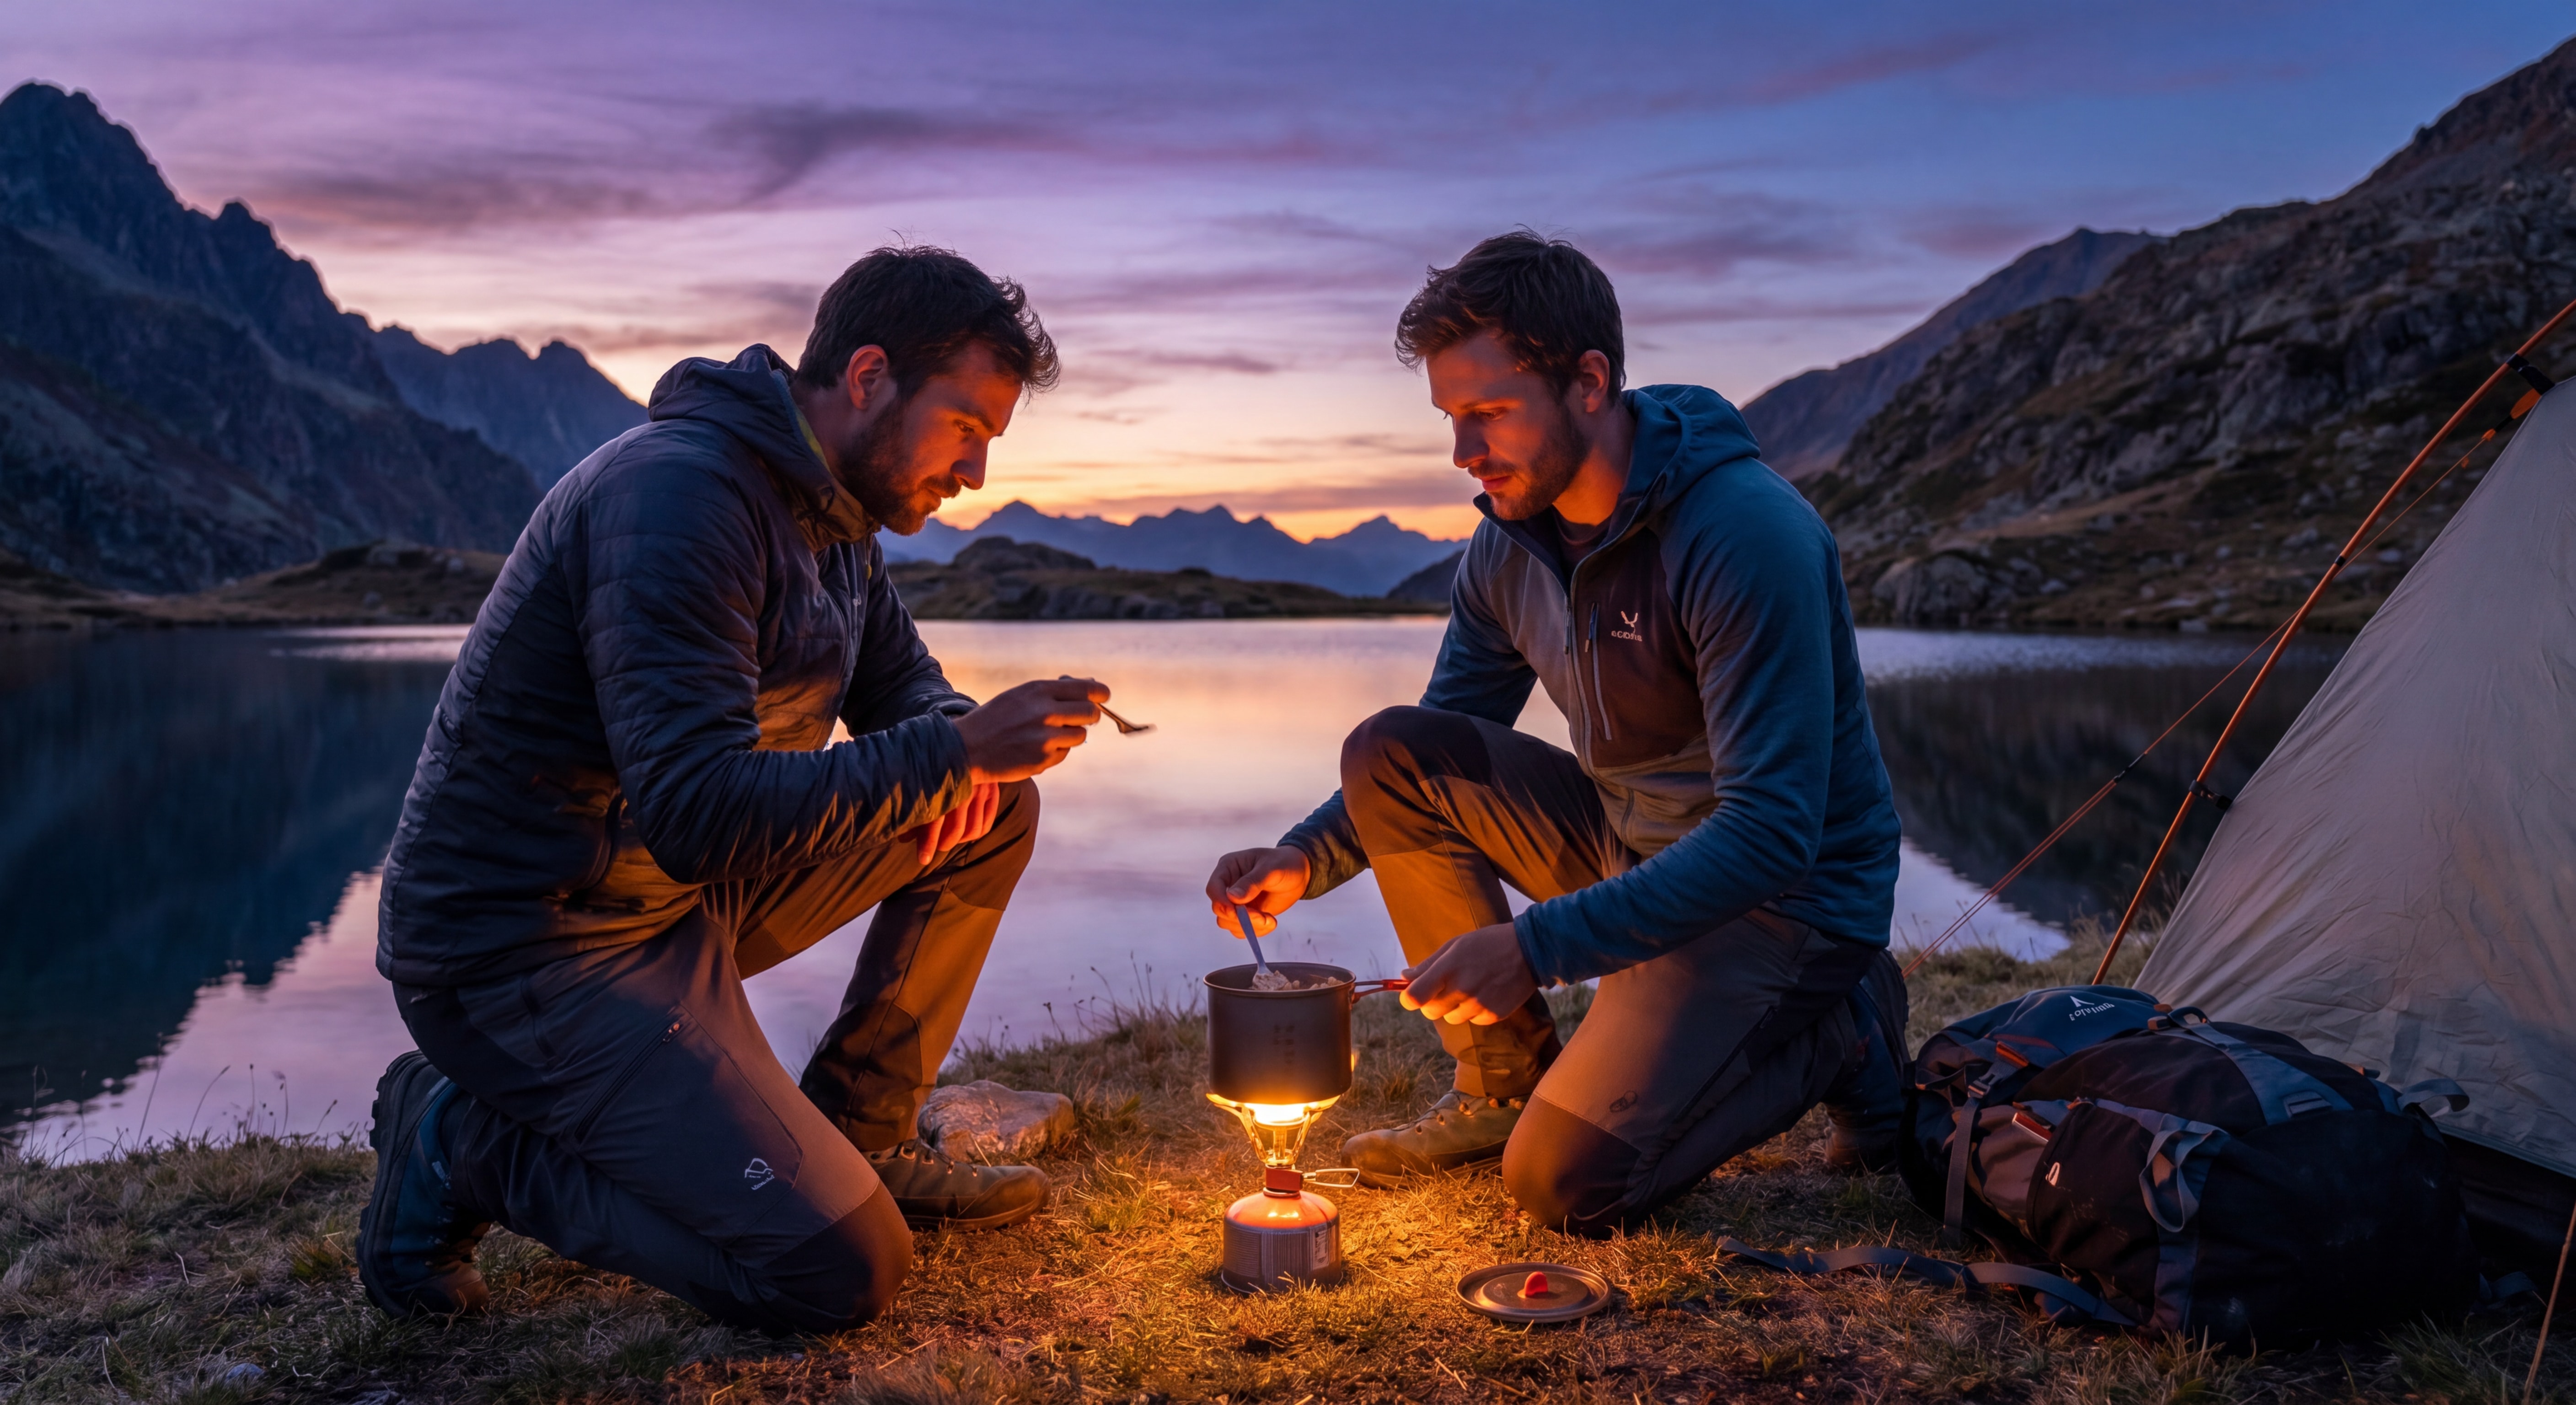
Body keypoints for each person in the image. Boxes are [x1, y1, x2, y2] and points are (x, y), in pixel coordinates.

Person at [359, 247, 1110, 1333]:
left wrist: (967, 748)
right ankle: (452, 1142)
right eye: (966, 428)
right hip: (528, 949)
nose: (975, 474)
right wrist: (954, 755)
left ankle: (861, 1136)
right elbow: (699, 809)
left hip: (666, 905)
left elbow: (907, 694)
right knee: (837, 1276)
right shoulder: (678, 499)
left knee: (991, 812)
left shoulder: (838, 523)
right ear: (867, 379)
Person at [1204, 232, 1908, 1234]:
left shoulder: (1744, 533)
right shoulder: (1506, 547)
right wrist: (1302, 854)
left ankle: (1845, 1032)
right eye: (1451, 418)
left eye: (1488, 414)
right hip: (1635, 855)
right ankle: (1499, 1088)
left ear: (1588, 382)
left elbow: (1770, 832)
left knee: (1566, 1187)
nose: (1462, 455)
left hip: (1782, 906)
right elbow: (1435, 746)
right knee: (1392, 750)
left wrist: (1532, 947)